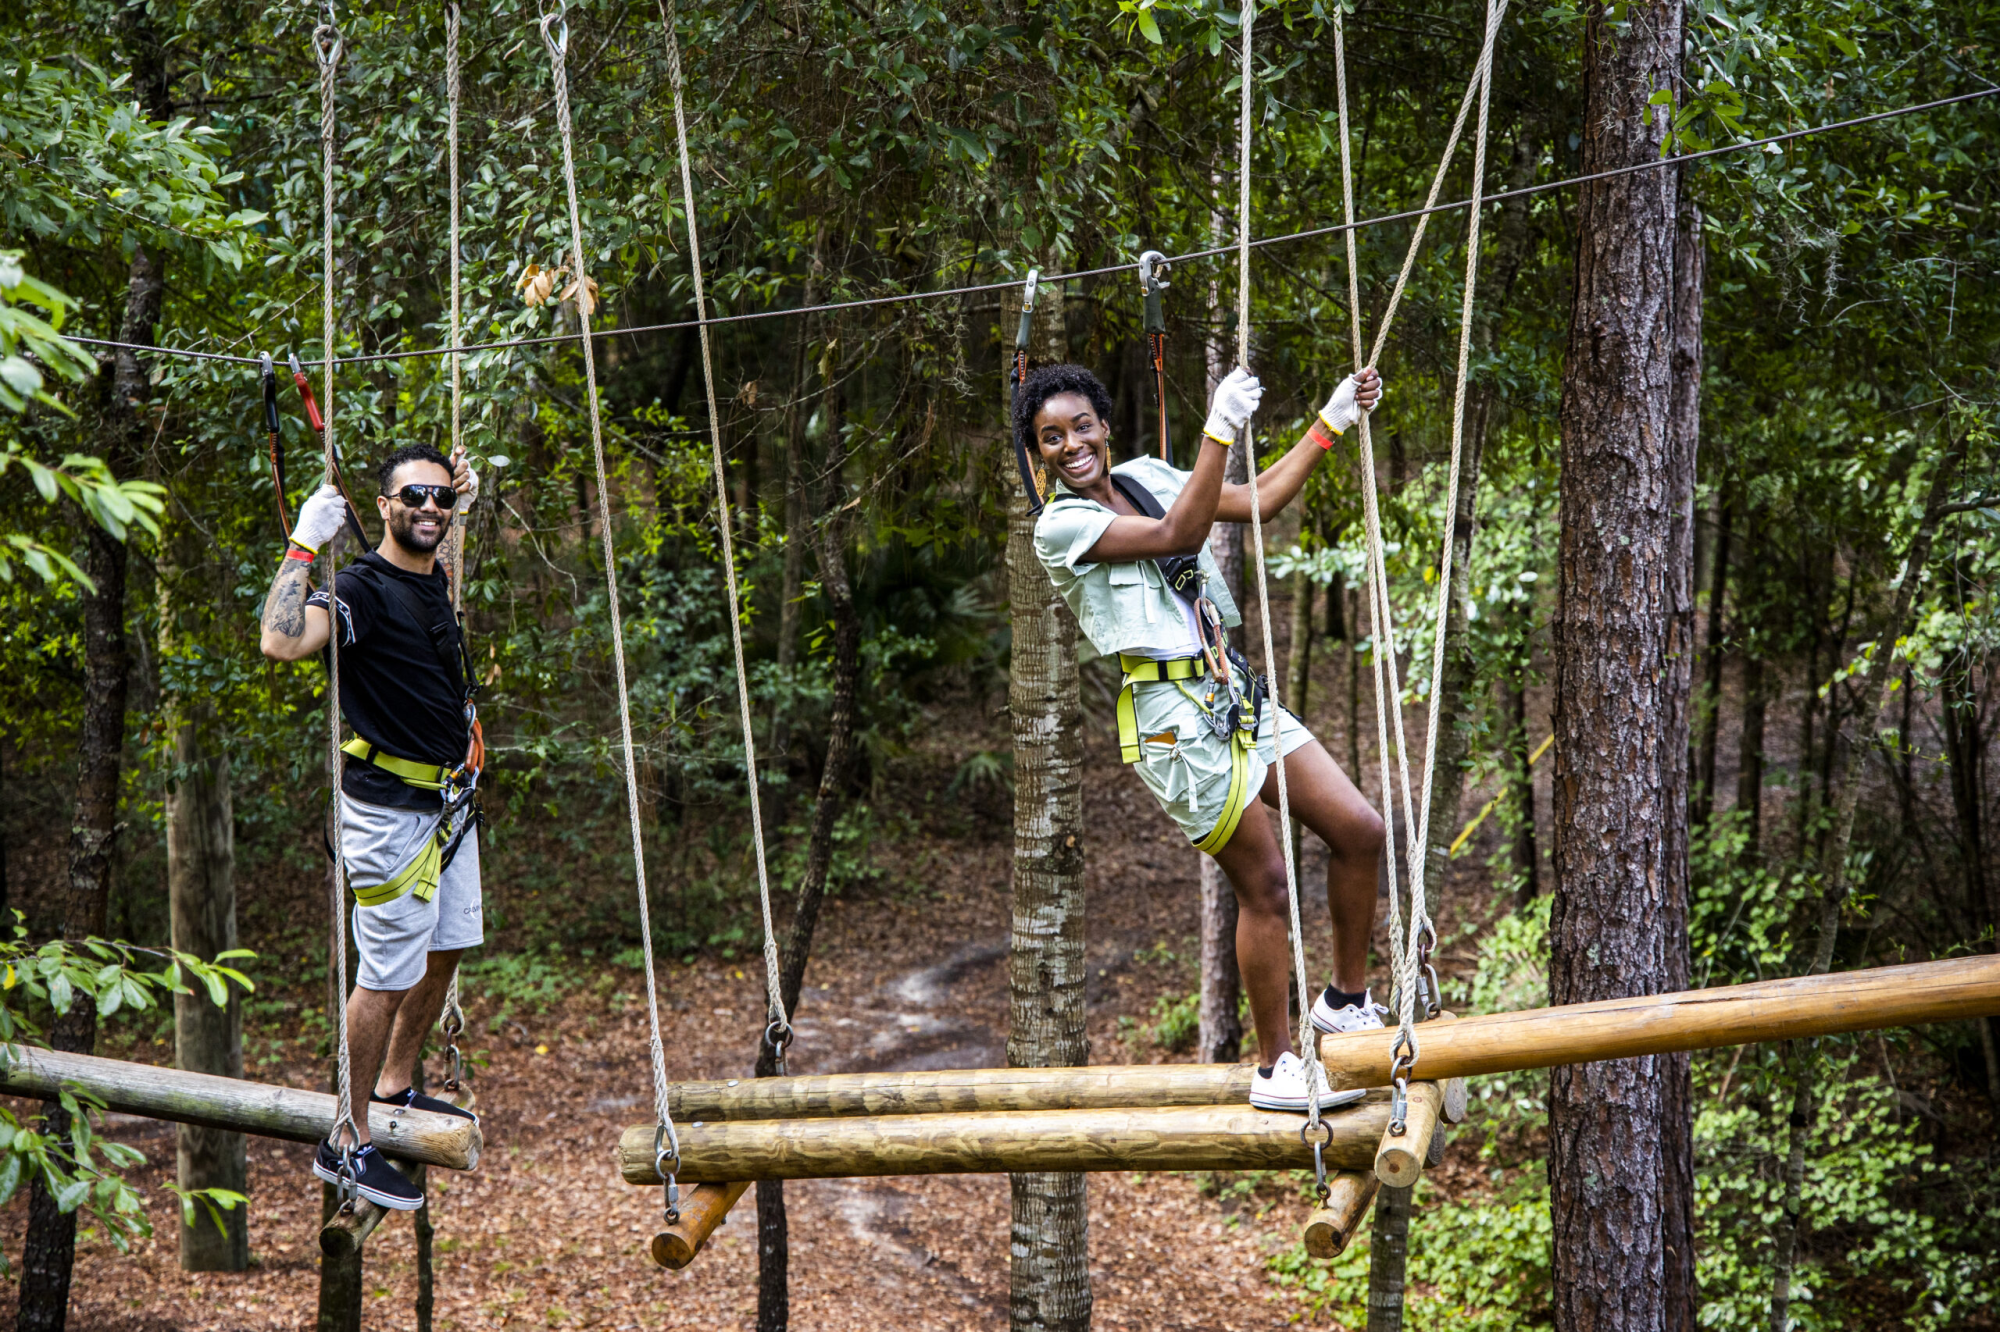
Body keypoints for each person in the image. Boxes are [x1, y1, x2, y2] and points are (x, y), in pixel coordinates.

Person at [1025, 362, 1387, 1111]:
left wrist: (1331, 421)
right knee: (1266, 885)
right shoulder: (1059, 524)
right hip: (1173, 721)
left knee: (1360, 829)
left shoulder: (1151, 474)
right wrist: (1219, 427)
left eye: (1081, 426)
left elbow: (1256, 500)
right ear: (1040, 455)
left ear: (1103, 423)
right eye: (1050, 438)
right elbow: (1173, 534)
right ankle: (1274, 1067)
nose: (1071, 446)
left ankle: (1346, 1000)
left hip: (1229, 690)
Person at [260, 442, 483, 1210]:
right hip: (390, 814)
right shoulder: (359, 589)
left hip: (448, 803)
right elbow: (281, 641)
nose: (430, 508)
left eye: (441, 499)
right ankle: (346, 1139)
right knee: (383, 978)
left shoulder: (433, 576)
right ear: (380, 507)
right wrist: (303, 545)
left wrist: (457, 499)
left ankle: (395, 1085)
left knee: (449, 944)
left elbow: (440, 531)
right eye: (412, 497)